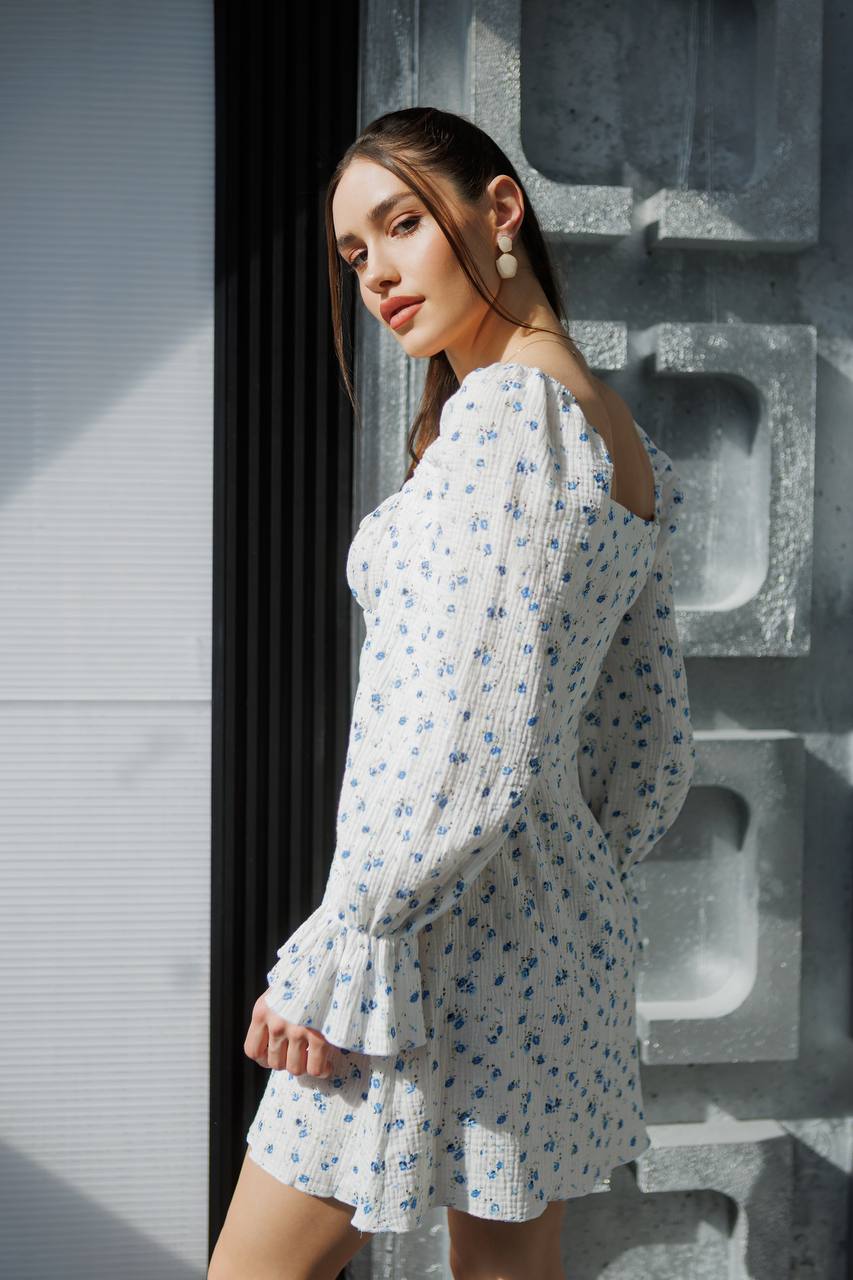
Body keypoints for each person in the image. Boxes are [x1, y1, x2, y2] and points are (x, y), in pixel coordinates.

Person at [209, 106, 695, 1280]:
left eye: (401, 224)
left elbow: (465, 744)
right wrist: (569, 866)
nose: (376, 271)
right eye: (353, 253)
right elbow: (648, 750)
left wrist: (343, 938)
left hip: (429, 940)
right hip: (553, 931)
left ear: (499, 210)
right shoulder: (606, 427)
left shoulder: (504, 421)